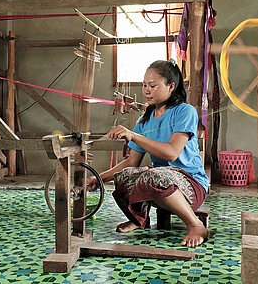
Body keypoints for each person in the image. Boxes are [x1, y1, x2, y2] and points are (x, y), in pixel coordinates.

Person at [87, 59, 209, 247]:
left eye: (153, 85)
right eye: (144, 85)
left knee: (154, 175)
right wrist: (98, 178)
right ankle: (139, 219)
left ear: (171, 87)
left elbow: (171, 154)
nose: (146, 90)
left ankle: (195, 225)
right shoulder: (144, 122)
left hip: (191, 185)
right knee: (124, 176)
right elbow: (130, 163)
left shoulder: (185, 111)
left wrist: (134, 136)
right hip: (161, 184)